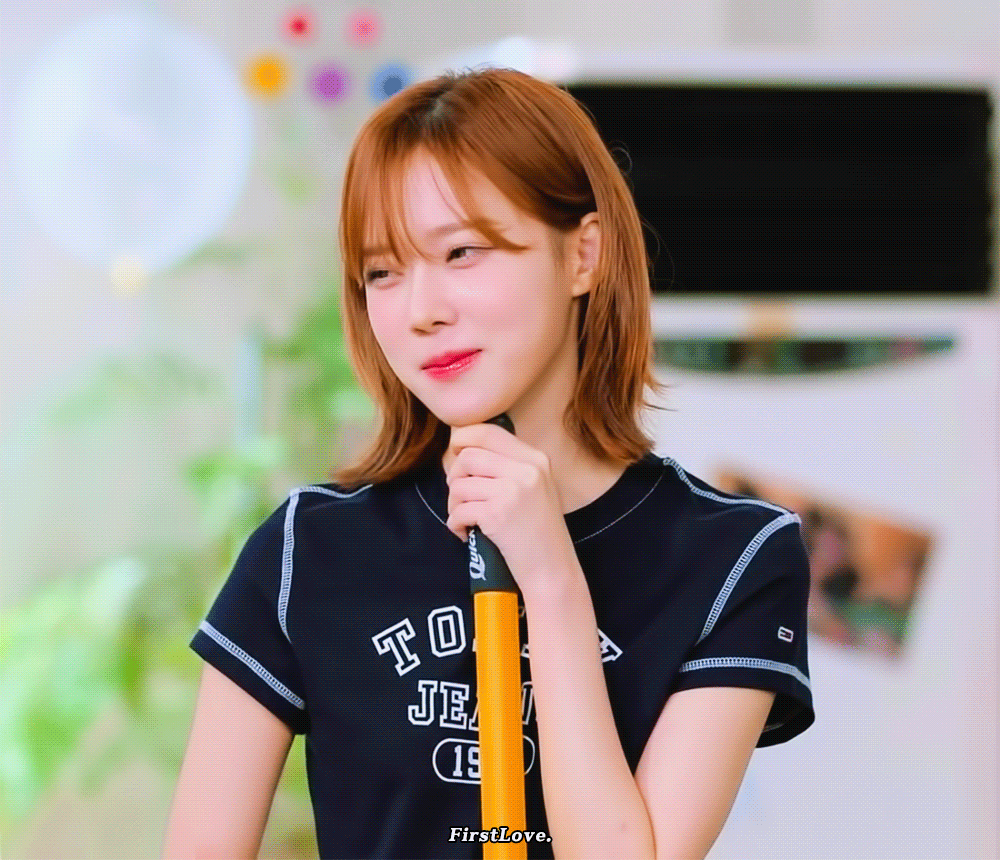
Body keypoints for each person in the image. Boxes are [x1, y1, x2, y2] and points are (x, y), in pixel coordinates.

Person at [163, 67, 815, 860]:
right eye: (382, 271)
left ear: (583, 255)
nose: (421, 311)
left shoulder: (734, 557)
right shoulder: (310, 547)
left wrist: (549, 576)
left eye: (461, 252)